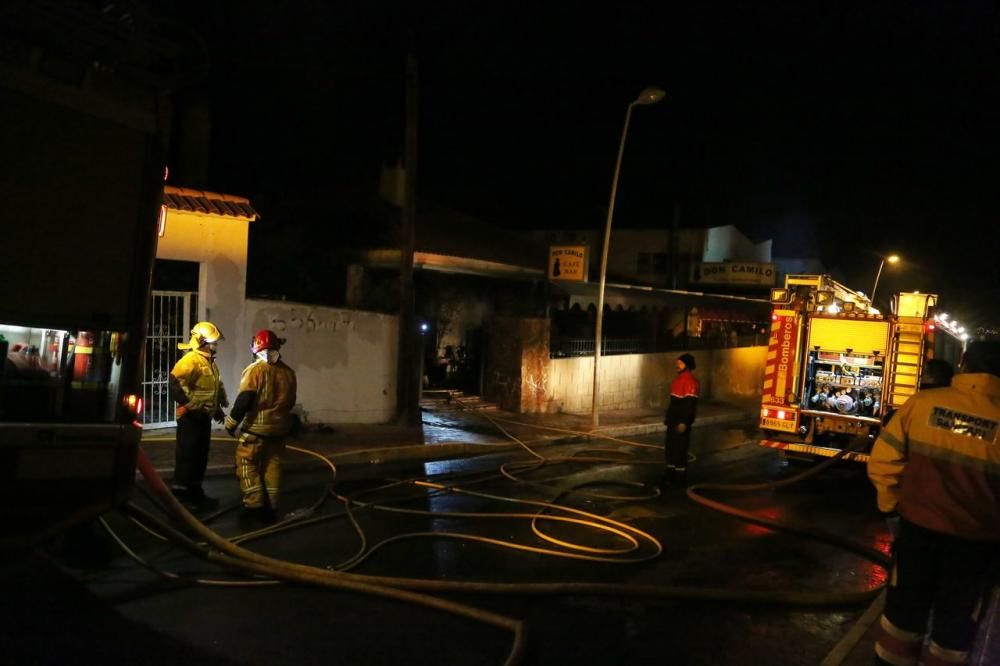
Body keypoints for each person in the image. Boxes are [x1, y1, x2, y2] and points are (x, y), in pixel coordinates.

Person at [867, 340, 1000, 665]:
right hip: (976, 547)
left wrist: (892, 512)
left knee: (902, 617)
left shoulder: (923, 404)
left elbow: (882, 463)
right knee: (954, 626)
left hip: (917, 535)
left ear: (963, 364)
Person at [225, 329, 298, 526]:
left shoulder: (255, 370)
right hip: (280, 431)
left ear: (255, 348)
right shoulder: (288, 372)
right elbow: (291, 403)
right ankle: (272, 506)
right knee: (273, 466)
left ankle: (254, 508)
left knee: (247, 466)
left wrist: (231, 424)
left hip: (255, 432)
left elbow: (244, 399)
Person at [168, 321, 228, 511]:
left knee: (200, 457)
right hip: (190, 418)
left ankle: (196, 494)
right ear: (201, 341)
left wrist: (217, 409)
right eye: (212, 342)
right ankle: (181, 499)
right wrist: (192, 405)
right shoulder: (191, 360)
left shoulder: (210, 363)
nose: (215, 345)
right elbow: (175, 383)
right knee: (188, 457)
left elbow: (213, 388)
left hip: (203, 417)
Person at [662, 352, 700, 488]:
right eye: (677, 363)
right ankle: (670, 474)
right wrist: (668, 419)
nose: (677, 365)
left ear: (687, 365)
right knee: (670, 448)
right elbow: (674, 404)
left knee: (679, 449)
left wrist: (684, 422)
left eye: (680, 363)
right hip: (673, 421)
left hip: (680, 423)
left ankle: (680, 478)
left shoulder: (690, 382)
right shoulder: (678, 380)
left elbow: (689, 405)